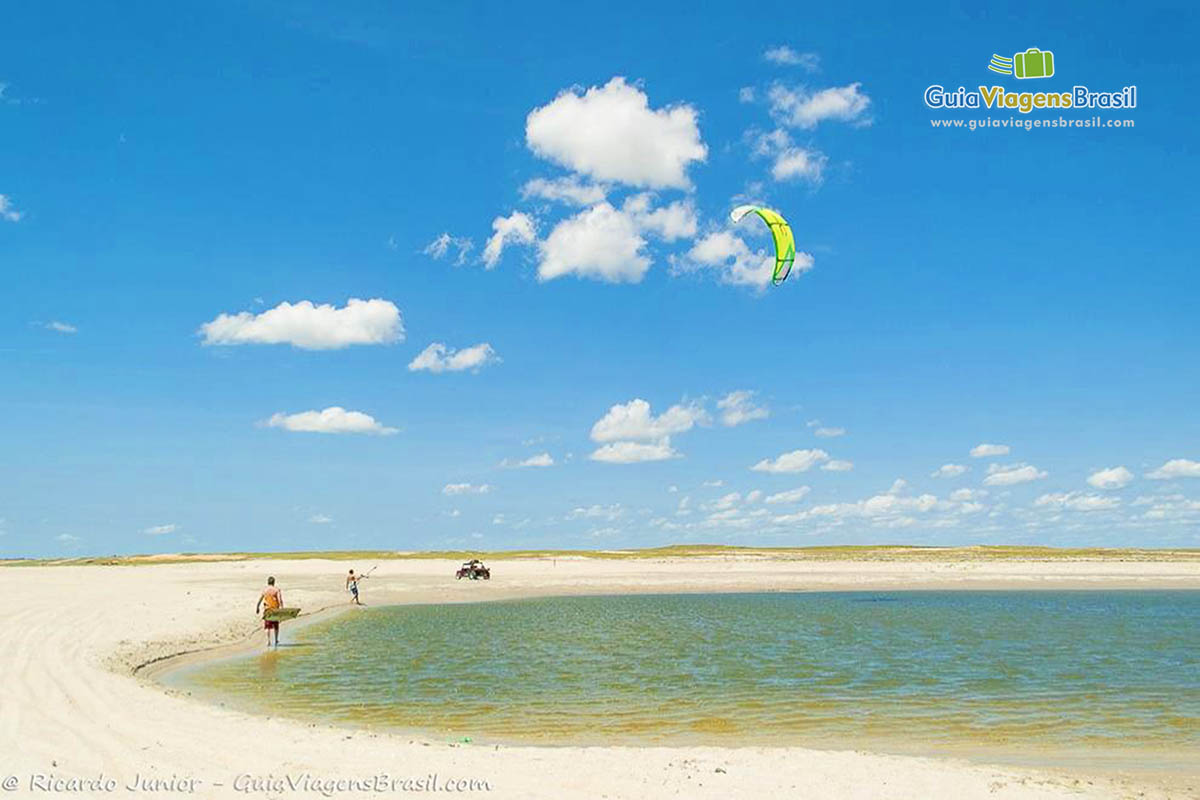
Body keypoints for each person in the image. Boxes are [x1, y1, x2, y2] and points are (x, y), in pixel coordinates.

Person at [256, 576, 284, 648]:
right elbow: (280, 599)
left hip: (267, 610)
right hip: (275, 610)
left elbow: (260, 599)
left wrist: (257, 607)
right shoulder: (276, 590)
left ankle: (268, 641)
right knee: (276, 626)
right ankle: (276, 640)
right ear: (274, 582)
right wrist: (282, 609)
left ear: (268, 582)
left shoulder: (265, 590)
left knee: (267, 626)